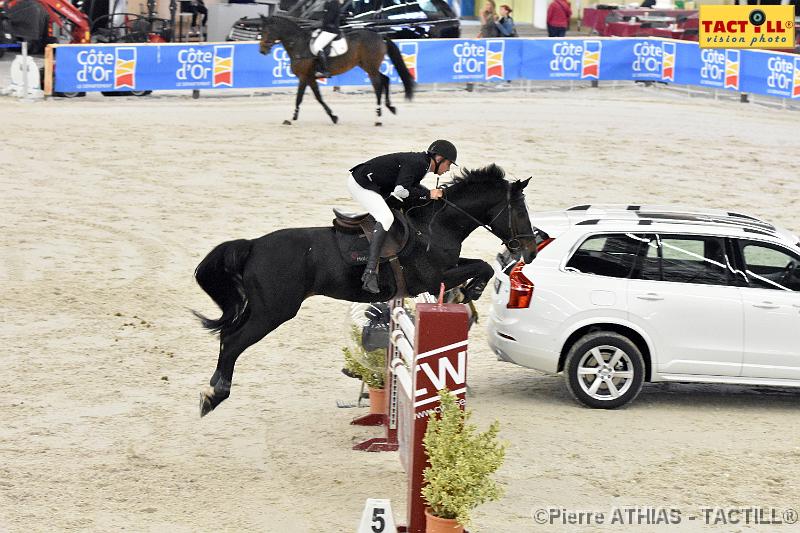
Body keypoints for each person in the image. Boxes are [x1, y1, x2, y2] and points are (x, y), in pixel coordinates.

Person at [348, 140, 458, 293]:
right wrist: (428, 194)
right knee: (386, 218)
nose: (448, 169)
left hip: (379, 184)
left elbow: (409, 189)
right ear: (439, 159)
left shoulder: (422, 164)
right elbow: (401, 191)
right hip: (361, 183)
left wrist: (428, 195)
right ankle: (370, 273)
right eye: (449, 164)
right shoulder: (419, 164)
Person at [311, 0, 343, 77]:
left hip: (331, 30)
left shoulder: (334, 3)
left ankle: (324, 70)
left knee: (317, 46)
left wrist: (317, 24)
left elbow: (329, 19)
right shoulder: (328, 3)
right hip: (325, 29)